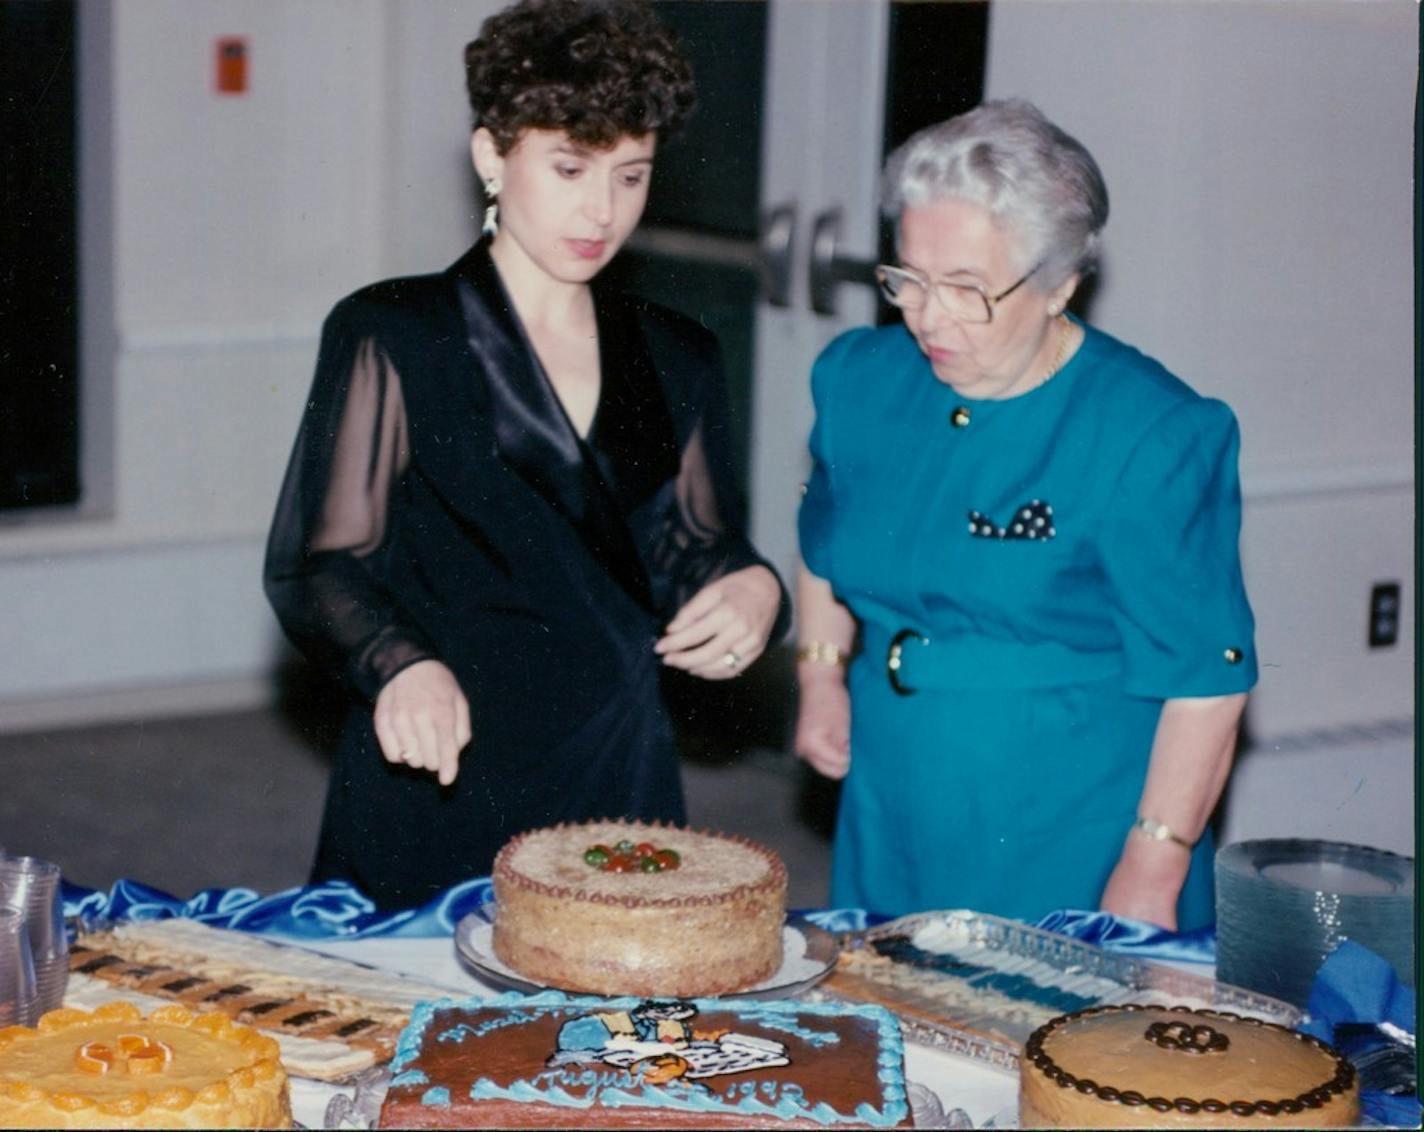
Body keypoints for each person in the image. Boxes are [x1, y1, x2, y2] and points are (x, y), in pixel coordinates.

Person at [265, 0, 786, 910]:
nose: (603, 209)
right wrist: (399, 662)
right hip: (441, 749)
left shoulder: (678, 352)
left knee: (611, 1035)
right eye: (571, 167)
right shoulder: (395, 331)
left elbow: (693, 550)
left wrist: (755, 587)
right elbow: (320, 564)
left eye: (632, 176)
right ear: (490, 157)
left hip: (613, 760)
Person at [794, 99, 1256, 931]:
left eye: (968, 290)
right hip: (891, 799)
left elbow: (1208, 680)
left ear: (1059, 285)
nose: (928, 316)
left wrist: (1154, 861)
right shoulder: (858, 380)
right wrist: (821, 673)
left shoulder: (1150, 433)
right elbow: (825, 541)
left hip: (1068, 818)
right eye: (908, 278)